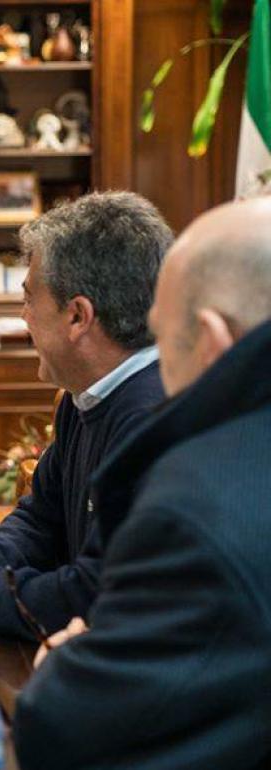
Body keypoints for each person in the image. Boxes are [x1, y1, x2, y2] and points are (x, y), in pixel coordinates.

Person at [14, 196, 271, 770]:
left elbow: (62, 724)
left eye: (162, 337)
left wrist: (69, 662)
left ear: (210, 341)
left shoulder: (197, 504)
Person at [0, 192, 170, 639]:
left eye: (28, 298)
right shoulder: (88, 395)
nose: (22, 317)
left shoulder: (152, 421)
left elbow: (93, 599)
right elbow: (43, 520)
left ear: (78, 316)